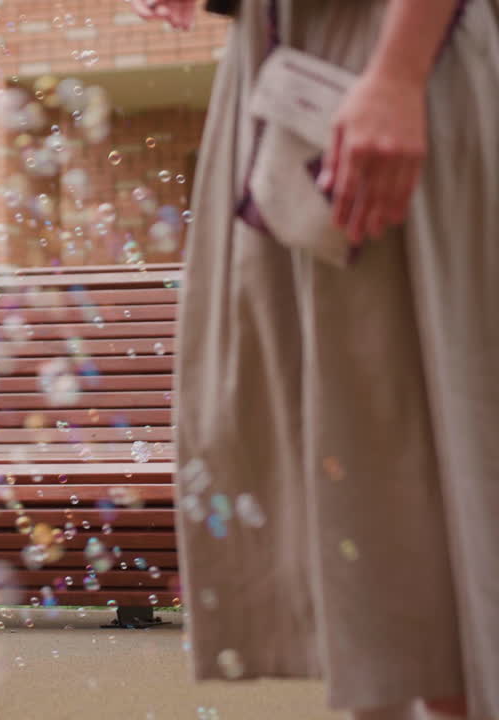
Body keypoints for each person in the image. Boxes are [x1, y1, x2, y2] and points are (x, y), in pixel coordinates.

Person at [131, 1, 498, 719]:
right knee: (342, 475)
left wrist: (397, 71)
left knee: (430, 475)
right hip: (282, 80)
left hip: (395, 55)